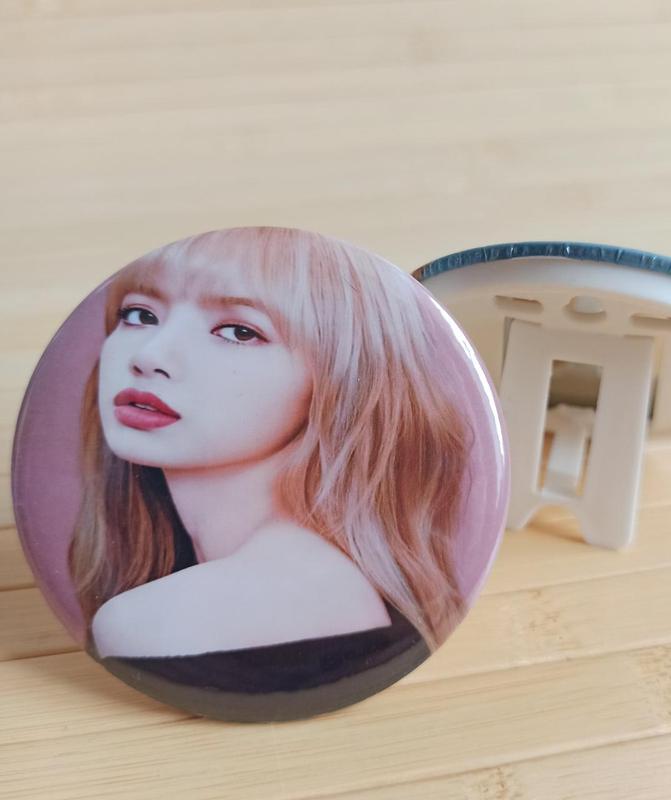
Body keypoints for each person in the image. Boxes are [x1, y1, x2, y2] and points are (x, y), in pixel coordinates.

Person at [68, 227, 473, 690]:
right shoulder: (321, 581)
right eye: (140, 315)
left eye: (239, 331)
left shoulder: (149, 620)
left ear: (341, 384)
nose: (149, 355)